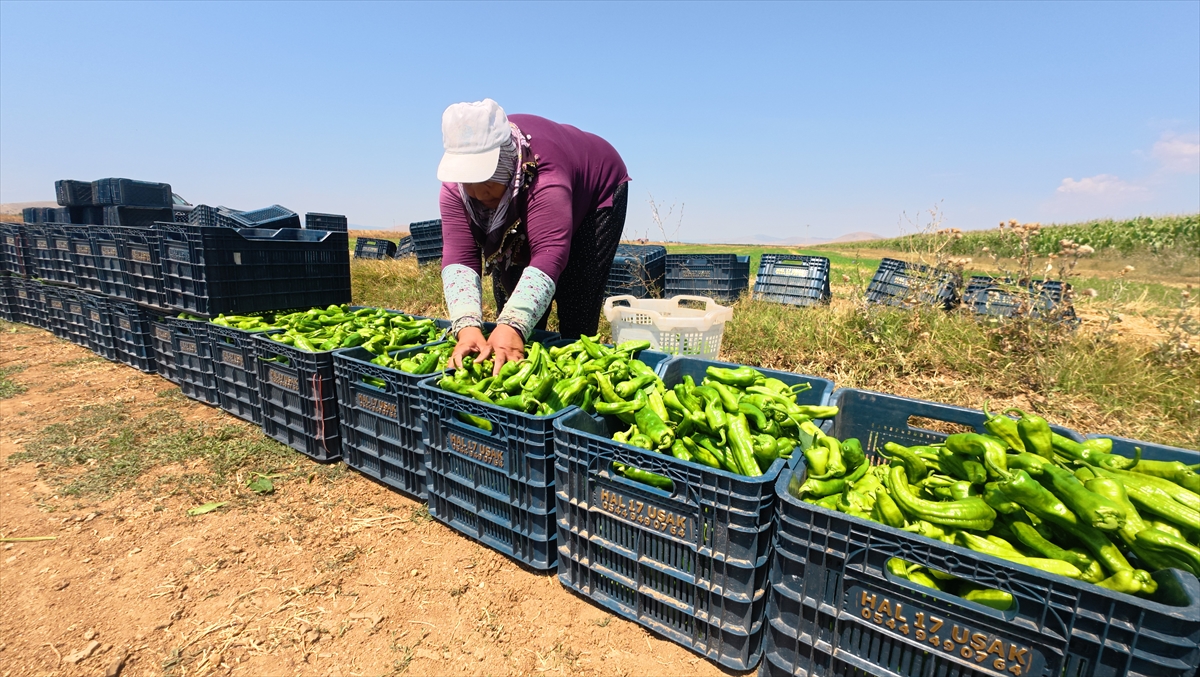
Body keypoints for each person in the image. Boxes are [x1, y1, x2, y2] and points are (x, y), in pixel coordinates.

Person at [436, 99, 630, 374]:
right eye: (469, 183)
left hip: (595, 193)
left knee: (577, 299)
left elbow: (550, 252)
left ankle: (573, 372)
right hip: (542, 187)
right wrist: (466, 326)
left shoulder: (544, 175)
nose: (478, 194)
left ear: (507, 165)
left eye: (487, 180)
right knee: (512, 299)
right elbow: (461, 257)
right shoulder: (455, 187)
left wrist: (514, 324)